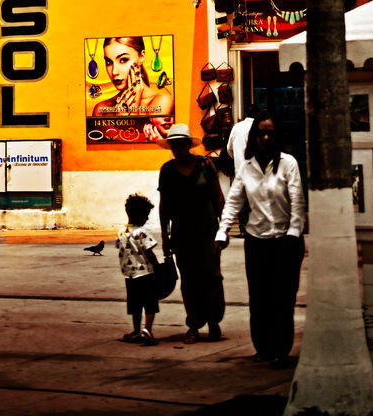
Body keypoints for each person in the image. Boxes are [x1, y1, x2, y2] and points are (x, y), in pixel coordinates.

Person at [215, 116, 305, 366]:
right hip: (257, 241)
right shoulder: (246, 167)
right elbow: (234, 201)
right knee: (259, 298)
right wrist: (222, 232)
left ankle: (281, 349)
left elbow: (297, 203)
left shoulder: (289, 164)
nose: (266, 138)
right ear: (254, 137)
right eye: (261, 134)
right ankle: (262, 348)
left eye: (271, 134)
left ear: (277, 137)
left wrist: (293, 234)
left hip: (286, 241)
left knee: (283, 298)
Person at [158, 123, 225, 343]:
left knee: (212, 276)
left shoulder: (205, 164)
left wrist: (223, 230)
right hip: (181, 232)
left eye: (181, 144)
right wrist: (165, 236)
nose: (177, 149)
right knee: (188, 279)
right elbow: (164, 205)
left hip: (207, 231)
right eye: (173, 145)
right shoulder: (167, 170)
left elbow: (218, 197)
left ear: (188, 145)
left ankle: (214, 322)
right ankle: (194, 325)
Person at [116, 192, 162, 344]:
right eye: (146, 215)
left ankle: (136, 330)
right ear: (139, 215)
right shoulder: (142, 233)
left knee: (135, 305)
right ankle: (147, 330)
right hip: (146, 274)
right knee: (150, 304)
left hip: (129, 276)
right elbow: (149, 252)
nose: (147, 218)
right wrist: (158, 267)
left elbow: (119, 247)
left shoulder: (121, 232)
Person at [93, 37, 175, 121]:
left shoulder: (163, 101)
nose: (114, 72)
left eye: (123, 60)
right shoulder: (101, 109)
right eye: (109, 62)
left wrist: (131, 114)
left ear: (141, 57)